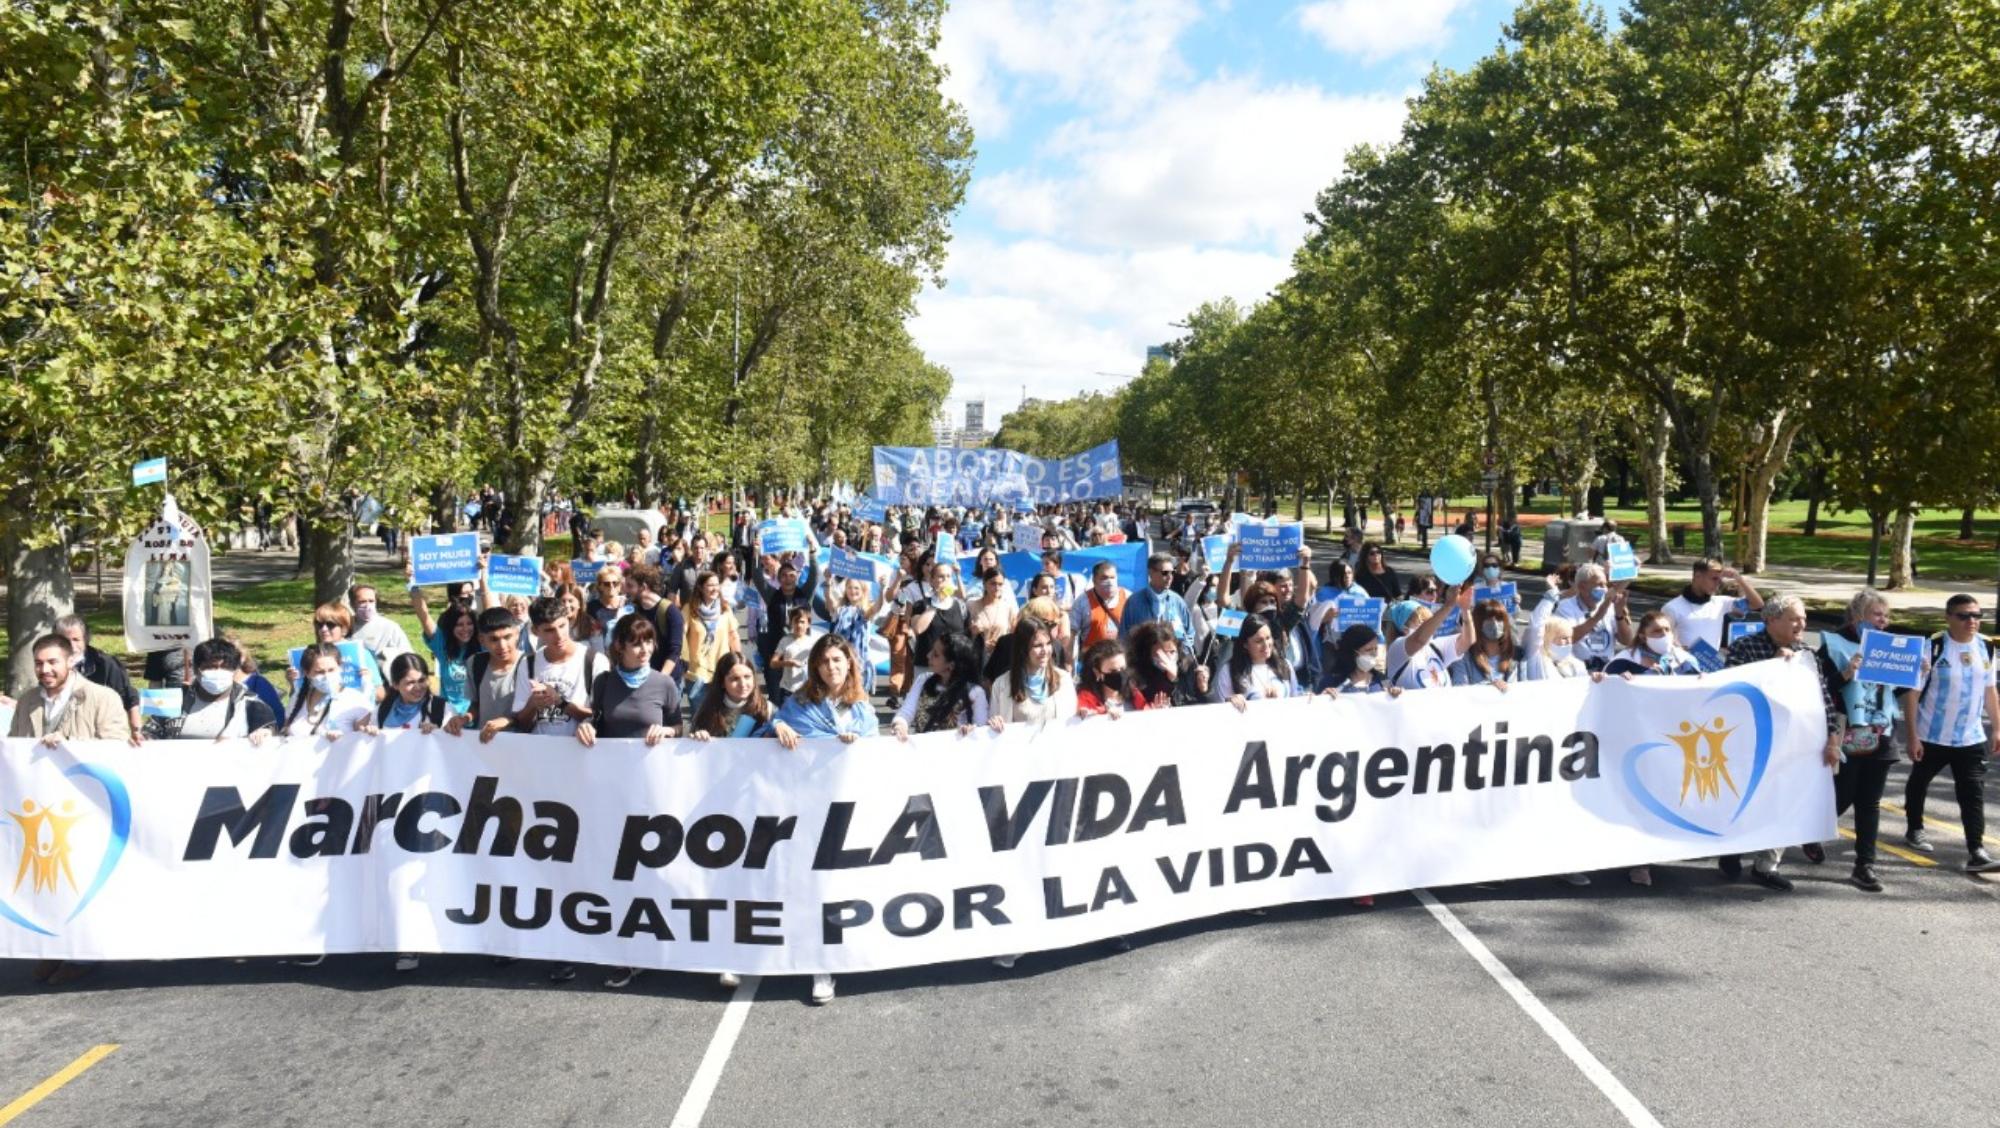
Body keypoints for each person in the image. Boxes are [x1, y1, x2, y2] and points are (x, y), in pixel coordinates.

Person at [1719, 595, 1845, 891]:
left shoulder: (1807, 654)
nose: (1801, 624)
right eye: (1793, 618)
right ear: (1771, 620)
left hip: (1795, 744)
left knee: (1786, 802)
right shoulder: (1744, 648)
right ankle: (1731, 849)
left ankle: (1767, 865)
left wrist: (1832, 739)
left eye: (1803, 618)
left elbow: (1823, 699)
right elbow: (1729, 695)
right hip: (1752, 743)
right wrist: (1772, 669)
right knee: (1746, 801)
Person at [1811, 590, 1909, 891]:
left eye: (1886, 616)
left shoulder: (1889, 648)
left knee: (1870, 801)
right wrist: (1845, 673)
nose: (1884, 621)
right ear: (1857, 616)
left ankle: (1864, 866)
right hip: (1846, 730)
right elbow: (1818, 688)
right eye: (1877, 615)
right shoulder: (1833, 644)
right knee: (1843, 795)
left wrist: (1919, 675)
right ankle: (1809, 829)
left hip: (1880, 732)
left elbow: (1894, 692)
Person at [1903, 594, 2000, 871]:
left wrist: (1997, 729)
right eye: (1964, 615)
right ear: (1948, 618)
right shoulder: (1932, 647)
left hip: (1970, 737)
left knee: (1972, 792)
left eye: (1977, 616)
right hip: (1931, 734)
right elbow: (1912, 694)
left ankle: (1976, 850)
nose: (1972, 621)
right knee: (1919, 782)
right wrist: (1912, 736)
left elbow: (1991, 691)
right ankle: (1914, 829)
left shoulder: (1987, 648)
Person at [145, 637, 277, 743]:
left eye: (225, 667)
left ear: (235, 670)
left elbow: (270, 729)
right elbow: (148, 733)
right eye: (211, 667)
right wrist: (143, 739)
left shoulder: (252, 704)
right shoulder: (172, 699)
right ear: (197, 669)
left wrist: (265, 733)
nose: (218, 672)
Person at [12, 634, 135, 743]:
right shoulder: (26, 701)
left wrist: (70, 746)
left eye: (52, 662)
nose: (45, 669)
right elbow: (12, 750)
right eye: (38, 663)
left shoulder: (104, 699)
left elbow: (116, 748)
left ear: (70, 662)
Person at [511, 595, 604, 739]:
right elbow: (522, 724)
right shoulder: (528, 663)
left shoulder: (595, 660)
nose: (559, 635)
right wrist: (533, 704)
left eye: (562, 626)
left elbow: (601, 717)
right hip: (539, 752)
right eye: (549, 630)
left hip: (580, 752)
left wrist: (560, 702)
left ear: (569, 621)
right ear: (535, 631)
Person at [53, 615, 141, 741]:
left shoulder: (106, 664)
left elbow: (128, 696)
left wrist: (136, 729)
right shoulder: (50, 665)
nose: (71, 645)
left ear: (86, 639)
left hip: (99, 730)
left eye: (76, 639)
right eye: (65, 640)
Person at [446, 607, 526, 743]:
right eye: (494, 639)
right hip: (484, 744)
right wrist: (464, 718)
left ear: (517, 633)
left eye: (507, 637)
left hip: (521, 744)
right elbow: (476, 705)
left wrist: (508, 721)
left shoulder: (529, 664)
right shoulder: (476, 663)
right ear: (482, 640)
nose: (502, 645)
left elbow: (533, 713)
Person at [891, 631, 988, 737]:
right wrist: (900, 725)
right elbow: (906, 712)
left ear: (951, 665)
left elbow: (981, 728)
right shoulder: (923, 680)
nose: (928, 655)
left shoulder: (975, 692)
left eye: (936, 655)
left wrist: (971, 731)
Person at [989, 616, 1078, 731]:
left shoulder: (1063, 680)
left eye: (1048, 643)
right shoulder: (1001, 685)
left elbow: (1073, 723)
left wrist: (1083, 715)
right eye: (1037, 646)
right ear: (1023, 649)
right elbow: (992, 729)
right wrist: (994, 723)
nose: (1045, 651)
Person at [409, 574, 481, 716]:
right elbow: (423, 616)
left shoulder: (482, 646)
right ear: (450, 628)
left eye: (469, 624)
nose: (465, 629)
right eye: (459, 625)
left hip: (476, 717)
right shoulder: (442, 645)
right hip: (447, 716)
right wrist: (412, 583)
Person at [1662, 559, 1765, 654]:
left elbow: (1757, 604)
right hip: (1684, 668)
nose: (1718, 584)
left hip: (1711, 667)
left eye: (1720, 580)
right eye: (1714, 579)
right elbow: (1664, 639)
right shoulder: (1672, 607)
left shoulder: (1721, 603)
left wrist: (1739, 579)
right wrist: (1678, 649)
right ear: (1698, 576)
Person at [281, 642, 374, 746]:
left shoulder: (356, 700)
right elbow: (285, 733)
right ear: (307, 673)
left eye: (331, 670)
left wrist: (343, 739)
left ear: (340, 667)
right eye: (319, 672)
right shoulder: (297, 698)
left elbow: (365, 744)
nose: (327, 676)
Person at [1385, 585, 1475, 690]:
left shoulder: (1434, 647)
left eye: (1429, 620)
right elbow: (1419, 640)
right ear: (1404, 627)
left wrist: (1465, 610)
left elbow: (1468, 640)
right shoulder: (1396, 648)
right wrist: (1448, 605)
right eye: (1423, 622)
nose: (1431, 627)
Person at [682, 571, 742, 710]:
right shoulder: (689, 609)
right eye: (710, 585)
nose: (715, 588)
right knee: (699, 717)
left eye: (717, 584)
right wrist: (682, 657)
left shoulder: (725, 608)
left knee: (721, 716)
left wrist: (738, 660)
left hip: (722, 671)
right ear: (701, 588)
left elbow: (733, 636)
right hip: (697, 672)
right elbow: (682, 634)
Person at [1554, 565, 1630, 670]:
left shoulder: (1610, 606)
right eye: (1599, 584)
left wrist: (1619, 614)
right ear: (1582, 586)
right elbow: (1568, 638)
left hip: (1605, 671)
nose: (1604, 589)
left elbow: (1627, 641)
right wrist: (1598, 616)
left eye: (1605, 585)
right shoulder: (1565, 607)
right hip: (1577, 671)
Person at [360, 653, 453, 736]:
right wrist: (370, 733)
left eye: (422, 680)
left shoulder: (442, 709)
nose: (418, 687)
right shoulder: (383, 710)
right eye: (410, 683)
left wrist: (440, 733)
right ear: (395, 685)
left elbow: (456, 745)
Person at [687, 653, 774, 741]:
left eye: (747, 677)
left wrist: (780, 727)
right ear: (722, 683)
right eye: (735, 679)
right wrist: (699, 736)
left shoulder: (767, 709)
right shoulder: (707, 710)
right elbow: (692, 744)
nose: (743, 684)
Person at [1448, 601, 1527, 689]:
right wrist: (1489, 689)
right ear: (1478, 624)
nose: (1495, 624)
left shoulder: (1517, 656)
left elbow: (1525, 690)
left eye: (1499, 619)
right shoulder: (1463, 657)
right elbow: (1459, 689)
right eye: (1489, 620)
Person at [1603, 612, 1703, 677]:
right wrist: (1617, 679)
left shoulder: (1686, 660)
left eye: (1667, 630)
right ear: (1643, 637)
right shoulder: (1623, 661)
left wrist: (1704, 679)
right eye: (1657, 631)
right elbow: (1603, 689)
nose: (1664, 634)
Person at [347, 582, 414, 674]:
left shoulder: (390, 627)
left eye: (371, 601)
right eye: (362, 602)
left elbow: (408, 657)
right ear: (352, 604)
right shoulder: (345, 626)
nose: (367, 606)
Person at [1319, 625, 1401, 696]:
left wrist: (1396, 693)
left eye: (1375, 649)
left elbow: (1393, 694)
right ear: (1352, 652)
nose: (1374, 654)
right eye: (1368, 650)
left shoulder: (1383, 680)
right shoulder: (1332, 682)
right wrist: (1323, 697)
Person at [1070, 561, 1130, 652]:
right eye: (1104, 578)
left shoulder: (1127, 597)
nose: (1110, 582)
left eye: (1112, 577)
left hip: (1122, 657)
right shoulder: (1082, 602)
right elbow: (1071, 632)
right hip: (1093, 660)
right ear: (1094, 580)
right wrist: (1069, 660)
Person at [771, 606, 818, 702]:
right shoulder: (785, 640)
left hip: (807, 689)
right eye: (796, 621)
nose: (799, 625)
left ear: (808, 624)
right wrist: (787, 663)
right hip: (788, 690)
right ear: (791, 623)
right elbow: (773, 663)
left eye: (802, 622)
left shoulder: (813, 642)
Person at [1075, 639, 1128, 717]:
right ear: (1097, 672)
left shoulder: (1134, 693)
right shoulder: (1086, 699)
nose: (1119, 674)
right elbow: (1082, 715)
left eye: (1123, 669)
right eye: (1113, 671)